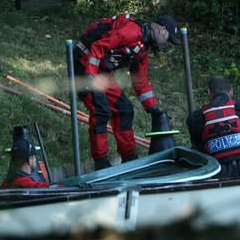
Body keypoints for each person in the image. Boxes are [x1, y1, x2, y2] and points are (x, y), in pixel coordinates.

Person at [74, 13, 179, 170]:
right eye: (168, 39)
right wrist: (90, 76)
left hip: (100, 70)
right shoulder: (132, 32)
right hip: (84, 63)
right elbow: (98, 46)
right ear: (161, 30)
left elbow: (140, 79)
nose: (167, 44)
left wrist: (152, 108)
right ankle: (101, 163)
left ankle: (129, 159)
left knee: (124, 109)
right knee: (101, 111)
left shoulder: (143, 48)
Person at [186, 75, 240, 178]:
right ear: (231, 91)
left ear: (209, 93)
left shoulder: (196, 117)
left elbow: (198, 149)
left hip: (219, 171)